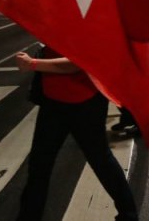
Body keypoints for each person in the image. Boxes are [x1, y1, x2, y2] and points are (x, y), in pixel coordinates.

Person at [15, 45, 138, 221]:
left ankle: (129, 215)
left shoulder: (88, 26)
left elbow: (75, 63)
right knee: (39, 165)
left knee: (100, 160)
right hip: (53, 100)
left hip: (84, 102)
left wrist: (32, 63)